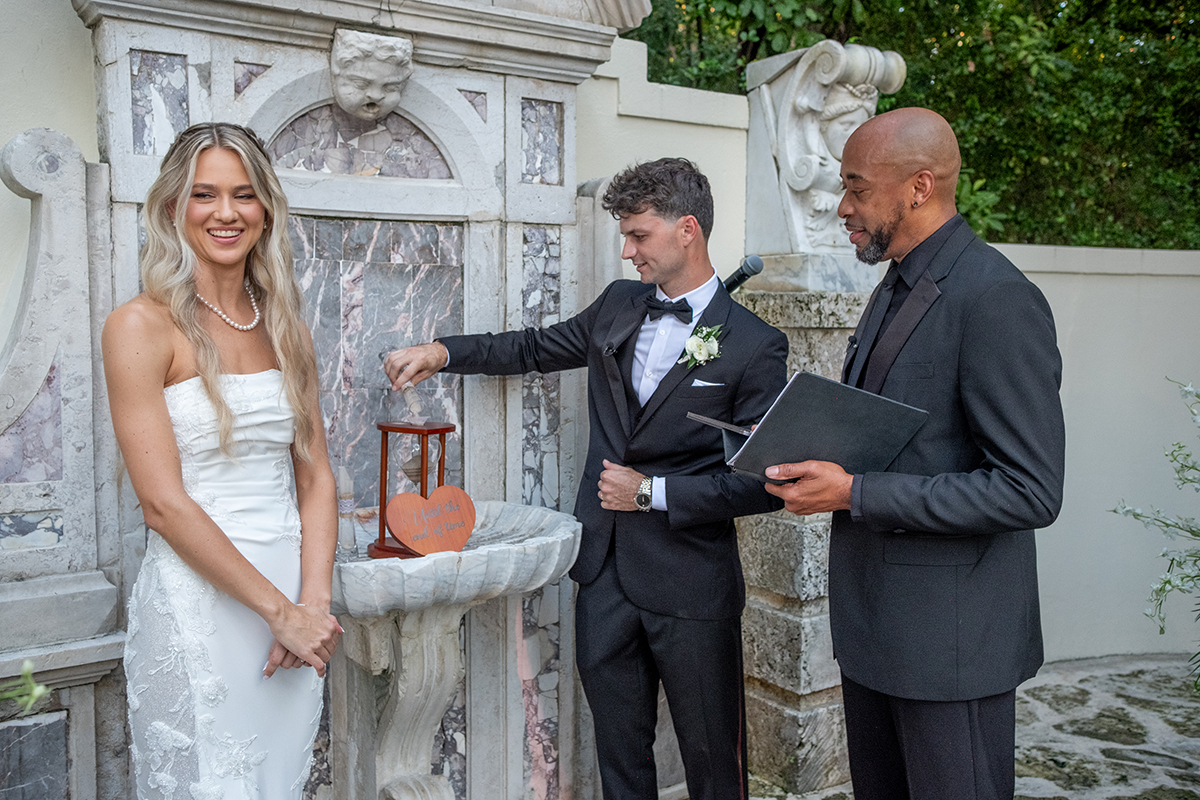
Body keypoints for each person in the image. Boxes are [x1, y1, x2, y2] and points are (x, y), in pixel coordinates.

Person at [383, 158, 788, 800]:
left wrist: (650, 493)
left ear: (688, 230)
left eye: (639, 236)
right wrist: (443, 352)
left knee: (714, 764)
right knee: (618, 758)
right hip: (603, 577)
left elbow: (766, 485)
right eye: (623, 236)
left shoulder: (755, 345)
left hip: (692, 587)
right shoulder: (620, 306)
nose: (627, 253)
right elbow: (535, 347)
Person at [764, 107, 1066, 799]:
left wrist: (854, 494)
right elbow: (896, 436)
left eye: (857, 187)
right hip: (875, 633)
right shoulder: (894, 284)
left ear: (920, 187)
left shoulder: (997, 298)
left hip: (951, 649)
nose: (843, 207)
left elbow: (1029, 490)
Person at [103, 122, 342, 799]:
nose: (226, 213)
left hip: (294, 613)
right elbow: (162, 503)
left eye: (244, 195)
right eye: (204, 194)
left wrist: (311, 609)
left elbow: (317, 477)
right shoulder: (139, 326)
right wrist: (278, 611)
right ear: (174, 206)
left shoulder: (287, 326)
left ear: (266, 208)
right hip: (201, 606)